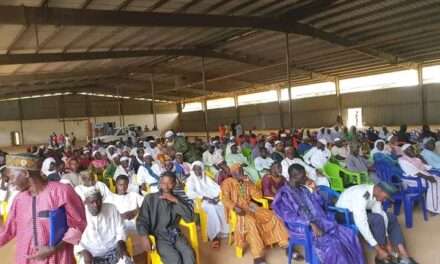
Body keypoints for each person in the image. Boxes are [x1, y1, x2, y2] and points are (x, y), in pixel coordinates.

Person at [0, 154, 86, 264]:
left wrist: (54, 248)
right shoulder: (19, 199)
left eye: (11, 177)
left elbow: (78, 225)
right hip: (26, 259)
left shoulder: (62, 192)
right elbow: (7, 230)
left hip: (58, 259)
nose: (9, 182)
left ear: (26, 173)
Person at [272, 164, 365, 264]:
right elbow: (288, 216)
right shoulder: (284, 194)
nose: (306, 178)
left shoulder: (303, 190)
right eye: (303, 176)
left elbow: (319, 205)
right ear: (294, 177)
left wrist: (315, 190)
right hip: (301, 227)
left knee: (348, 234)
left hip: (319, 221)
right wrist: (310, 223)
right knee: (333, 245)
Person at [221, 164, 290, 264]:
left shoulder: (246, 182)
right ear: (233, 173)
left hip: (251, 207)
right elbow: (224, 198)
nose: (242, 173)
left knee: (273, 215)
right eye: (239, 171)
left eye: (242, 171)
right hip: (238, 210)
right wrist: (235, 207)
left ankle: (284, 243)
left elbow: (258, 195)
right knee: (252, 222)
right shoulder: (227, 183)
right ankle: (257, 256)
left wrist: (249, 183)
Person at [336, 183, 417, 264]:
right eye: (385, 197)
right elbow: (361, 223)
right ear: (379, 190)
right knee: (377, 219)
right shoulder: (362, 195)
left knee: (391, 217)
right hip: (344, 214)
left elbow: (381, 214)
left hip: (359, 210)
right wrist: (377, 247)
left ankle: (403, 254)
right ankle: (381, 254)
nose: (385, 200)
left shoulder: (375, 194)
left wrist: (387, 240)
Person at [136, 171, 196, 264]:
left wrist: (175, 200)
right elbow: (142, 219)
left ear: (174, 184)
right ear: (160, 183)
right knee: (174, 259)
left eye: (170, 183)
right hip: (159, 237)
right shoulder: (150, 198)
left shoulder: (177, 199)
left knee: (189, 253)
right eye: (164, 183)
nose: (166, 186)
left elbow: (189, 218)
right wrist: (144, 236)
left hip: (175, 234)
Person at [75, 189, 133, 264]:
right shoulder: (79, 214)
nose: (95, 205)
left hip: (114, 249)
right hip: (92, 253)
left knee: (125, 260)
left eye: (98, 201)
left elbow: (121, 228)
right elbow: (74, 240)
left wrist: (120, 242)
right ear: (85, 202)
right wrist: (83, 251)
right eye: (92, 202)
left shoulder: (111, 208)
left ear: (102, 199)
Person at [186, 161, 228, 249]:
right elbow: (190, 193)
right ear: (193, 170)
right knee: (212, 208)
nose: (198, 171)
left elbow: (217, 187)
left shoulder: (206, 177)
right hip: (201, 201)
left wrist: (217, 197)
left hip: (213, 198)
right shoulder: (190, 179)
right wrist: (205, 198)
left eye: (199, 169)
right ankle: (214, 235)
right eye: (196, 169)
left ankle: (223, 231)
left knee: (223, 204)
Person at [107, 175, 145, 256]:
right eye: (120, 185)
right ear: (116, 185)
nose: (123, 187)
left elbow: (146, 204)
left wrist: (135, 211)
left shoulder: (133, 195)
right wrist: (121, 216)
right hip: (119, 226)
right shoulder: (110, 198)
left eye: (125, 185)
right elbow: (106, 215)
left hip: (135, 224)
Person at [398, 144, 440, 214]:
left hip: (422, 176)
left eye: (412, 149)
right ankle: (433, 209)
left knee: (438, 180)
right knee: (434, 183)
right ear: (404, 152)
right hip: (413, 179)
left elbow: (425, 167)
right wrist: (428, 177)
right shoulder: (402, 160)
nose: (412, 151)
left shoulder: (415, 158)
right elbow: (413, 172)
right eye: (409, 149)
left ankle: (437, 203)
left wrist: (433, 170)